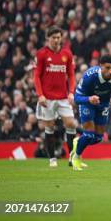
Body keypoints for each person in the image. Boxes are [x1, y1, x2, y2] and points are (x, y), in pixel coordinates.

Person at [71, 54, 111, 170]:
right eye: (107, 68)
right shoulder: (89, 76)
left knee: (98, 138)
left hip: (104, 103)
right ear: (100, 66)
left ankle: (78, 142)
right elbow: (76, 98)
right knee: (88, 134)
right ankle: (76, 158)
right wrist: (89, 99)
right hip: (88, 102)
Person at [34, 26, 77, 167]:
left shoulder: (67, 54)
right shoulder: (41, 54)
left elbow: (71, 75)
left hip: (63, 97)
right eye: (53, 37)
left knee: (70, 124)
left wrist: (71, 92)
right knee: (50, 126)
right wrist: (40, 95)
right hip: (47, 98)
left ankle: (72, 158)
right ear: (48, 38)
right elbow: (37, 76)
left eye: (58, 37)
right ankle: (52, 159)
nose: (56, 40)